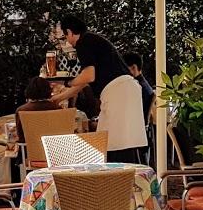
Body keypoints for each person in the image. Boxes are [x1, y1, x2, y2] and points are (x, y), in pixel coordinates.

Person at [51, 15, 147, 163]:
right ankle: (129, 181)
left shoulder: (83, 42)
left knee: (113, 143)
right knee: (123, 143)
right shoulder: (92, 40)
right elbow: (84, 82)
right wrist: (58, 98)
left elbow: (88, 76)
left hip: (118, 92)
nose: (67, 41)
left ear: (70, 32)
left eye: (65, 36)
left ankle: (119, 181)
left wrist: (68, 82)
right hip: (126, 90)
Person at [15, 76, 60, 142]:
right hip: (54, 148)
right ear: (49, 90)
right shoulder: (57, 108)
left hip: (29, 149)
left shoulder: (22, 110)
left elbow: (21, 136)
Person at [124, 52, 155, 122]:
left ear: (134, 67)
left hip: (133, 127)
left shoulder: (136, 87)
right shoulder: (145, 85)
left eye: (125, 68)